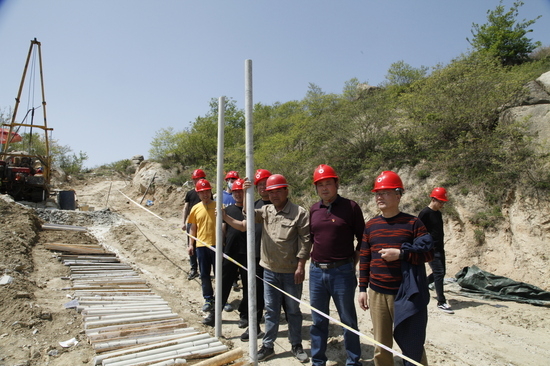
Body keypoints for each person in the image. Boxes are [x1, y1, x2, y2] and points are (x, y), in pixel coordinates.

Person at [222, 174, 311, 362]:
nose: (275, 195)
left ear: (286, 191)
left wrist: (301, 266)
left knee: (293, 310)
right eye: (271, 192)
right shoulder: (266, 210)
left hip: (290, 272)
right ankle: (268, 345)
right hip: (269, 271)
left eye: (279, 190)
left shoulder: (299, 212)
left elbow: (305, 241)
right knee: (271, 310)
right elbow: (248, 215)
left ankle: (296, 345)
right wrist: (247, 192)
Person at [358, 171, 434, 366]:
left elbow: (428, 253)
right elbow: (365, 258)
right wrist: (362, 289)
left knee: (412, 343)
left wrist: (400, 254)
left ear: (398, 195)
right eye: (377, 193)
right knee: (381, 345)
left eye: (385, 192)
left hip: (405, 294)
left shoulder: (413, 223)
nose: (379, 197)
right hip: (377, 294)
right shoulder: (371, 226)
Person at [309, 164, 364, 366]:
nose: (324, 188)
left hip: (342, 272)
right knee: (318, 321)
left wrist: (353, 262)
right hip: (316, 271)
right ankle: (318, 361)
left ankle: (353, 360)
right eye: (320, 185)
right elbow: (312, 238)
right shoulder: (314, 209)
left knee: (348, 320)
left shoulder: (351, 207)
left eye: (328, 183)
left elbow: (363, 239)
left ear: (336, 183)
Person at [203, 178, 259, 329]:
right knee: (223, 284)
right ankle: (215, 313)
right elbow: (222, 230)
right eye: (235, 191)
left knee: (248, 286)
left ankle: (245, 315)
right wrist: (220, 247)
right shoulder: (227, 209)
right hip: (229, 252)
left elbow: (244, 227)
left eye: (240, 191)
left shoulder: (251, 211)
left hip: (248, 254)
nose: (237, 194)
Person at [237, 169, 272, 341]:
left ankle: (290, 332)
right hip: (257, 256)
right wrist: (245, 191)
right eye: (260, 185)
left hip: (274, 258)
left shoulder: (277, 204)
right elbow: (246, 214)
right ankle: (255, 327)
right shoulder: (255, 203)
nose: (263, 188)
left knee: (277, 296)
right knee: (256, 294)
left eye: (266, 184)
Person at [418, 187, 454, 314]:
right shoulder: (425, 213)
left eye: (444, 202)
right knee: (438, 273)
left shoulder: (438, 213)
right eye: (441, 202)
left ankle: (423, 284)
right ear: (433, 199)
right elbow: (418, 232)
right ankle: (441, 302)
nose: (442, 205)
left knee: (441, 272)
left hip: (440, 248)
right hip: (431, 249)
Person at [187, 178, 217, 313]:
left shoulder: (218, 206)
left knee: (220, 274)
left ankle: (223, 299)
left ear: (211, 191)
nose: (205, 194)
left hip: (217, 246)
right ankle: (208, 299)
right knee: (204, 274)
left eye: (207, 191)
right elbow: (192, 228)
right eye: (202, 192)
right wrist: (190, 244)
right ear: (198, 194)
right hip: (201, 246)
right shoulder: (195, 208)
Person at [181, 169, 206, 280]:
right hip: (191, 223)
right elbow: (186, 207)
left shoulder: (206, 193)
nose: (196, 181)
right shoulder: (190, 193)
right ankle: (193, 269)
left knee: (201, 248)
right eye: (194, 180)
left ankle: (202, 270)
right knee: (191, 246)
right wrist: (183, 222)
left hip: (202, 223)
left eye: (198, 179)